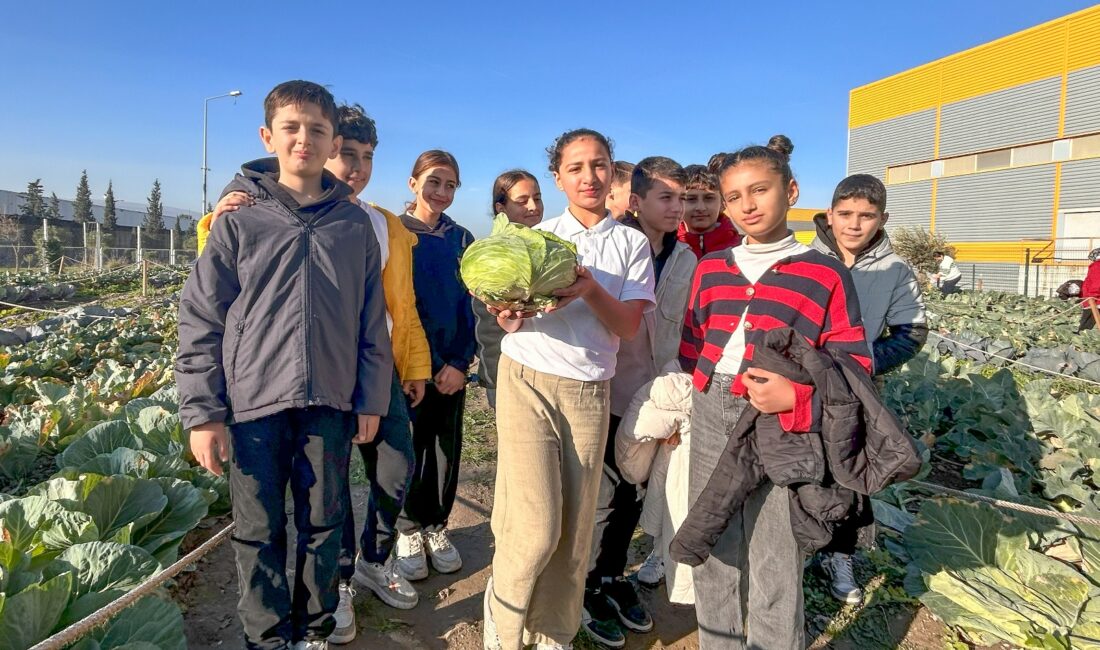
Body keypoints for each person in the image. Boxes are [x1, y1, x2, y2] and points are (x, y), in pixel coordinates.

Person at [196, 104, 431, 640]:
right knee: (260, 528)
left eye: (364, 156)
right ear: (270, 137)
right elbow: (205, 313)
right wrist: (204, 410)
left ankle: (323, 618)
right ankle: (268, 634)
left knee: (327, 517)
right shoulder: (237, 217)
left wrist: (379, 389)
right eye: (293, 129)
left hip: (338, 389)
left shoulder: (363, 224)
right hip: (256, 397)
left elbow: (385, 313)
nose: (354, 165)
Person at [679, 135, 870, 649]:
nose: (747, 205)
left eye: (759, 190)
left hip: (783, 423)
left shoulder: (823, 273)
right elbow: (694, 339)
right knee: (713, 537)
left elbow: (855, 361)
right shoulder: (711, 268)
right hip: (713, 407)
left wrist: (797, 397)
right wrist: (702, 387)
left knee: (774, 549)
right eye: (734, 197)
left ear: (791, 190)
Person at [481, 129, 656, 650]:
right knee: (534, 524)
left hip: (590, 389)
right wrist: (508, 313)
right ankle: (505, 621)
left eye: (599, 164)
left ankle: (553, 626)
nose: (589, 176)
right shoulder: (535, 237)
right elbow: (513, 322)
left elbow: (626, 327)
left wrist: (589, 289)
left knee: (576, 526)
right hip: (527, 380)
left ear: (611, 172)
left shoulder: (631, 243)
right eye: (576, 167)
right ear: (558, 179)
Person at [581, 156, 696, 648]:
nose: (678, 208)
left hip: (661, 392)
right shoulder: (615, 249)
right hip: (611, 387)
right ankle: (586, 585)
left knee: (635, 490)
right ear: (637, 201)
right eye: (666, 198)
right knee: (604, 493)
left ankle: (611, 576)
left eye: (683, 198)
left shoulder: (688, 259)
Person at [810, 173, 927, 604]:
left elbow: (911, 331)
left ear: (882, 219)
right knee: (798, 463)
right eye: (845, 214)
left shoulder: (896, 269)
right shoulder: (803, 256)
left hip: (857, 390)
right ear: (829, 215)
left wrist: (862, 364)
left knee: (850, 470)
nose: (854, 224)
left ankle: (839, 553)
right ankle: (793, 545)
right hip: (801, 382)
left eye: (866, 216)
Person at [395, 150, 477, 582]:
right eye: (433, 181)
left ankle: (436, 525)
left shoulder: (462, 239)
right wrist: (421, 364)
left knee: (445, 449)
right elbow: (397, 306)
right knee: (410, 446)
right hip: (410, 367)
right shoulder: (394, 233)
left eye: (450, 185)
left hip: (452, 371)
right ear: (413, 183)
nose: (441, 192)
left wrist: (461, 362)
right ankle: (408, 528)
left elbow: (471, 307)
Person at [473, 170, 545, 409]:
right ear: (500, 208)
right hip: (505, 371)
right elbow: (486, 326)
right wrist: (495, 377)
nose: (533, 206)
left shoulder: (545, 248)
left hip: (544, 369)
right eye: (522, 201)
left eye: (537, 197)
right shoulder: (490, 256)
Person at [676, 164, 741, 258]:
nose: (701, 208)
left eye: (709, 198)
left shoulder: (740, 248)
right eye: (691, 199)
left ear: (722, 203)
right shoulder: (666, 249)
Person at [1080, 248, 1100, 332]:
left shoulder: (1096, 266)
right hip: (1094, 299)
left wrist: (1091, 296)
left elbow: (1096, 283)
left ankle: (1079, 343)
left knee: (1085, 326)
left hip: (1094, 301)